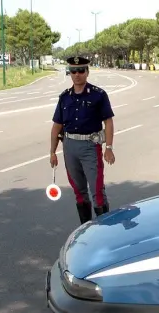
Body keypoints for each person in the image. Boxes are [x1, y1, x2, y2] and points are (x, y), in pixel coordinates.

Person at [49, 56, 116, 224]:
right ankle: (85, 228)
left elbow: (108, 121)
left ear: (87, 72)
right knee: (79, 191)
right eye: (73, 71)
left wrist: (109, 147)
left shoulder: (98, 95)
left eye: (80, 70)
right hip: (70, 146)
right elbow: (57, 126)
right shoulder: (64, 97)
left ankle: (104, 230)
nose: (77, 74)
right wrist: (52, 152)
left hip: (90, 146)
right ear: (69, 73)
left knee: (97, 191)